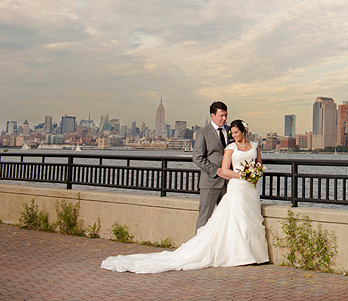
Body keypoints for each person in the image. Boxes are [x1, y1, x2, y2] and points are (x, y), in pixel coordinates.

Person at [101, 119, 269, 273]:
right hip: (237, 186)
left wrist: (255, 174)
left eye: (236, 132)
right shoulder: (230, 148)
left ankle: (255, 255)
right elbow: (225, 170)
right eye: (232, 133)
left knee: (251, 219)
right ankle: (241, 255)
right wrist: (243, 176)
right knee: (237, 220)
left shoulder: (255, 146)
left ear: (243, 131)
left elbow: (259, 165)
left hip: (251, 189)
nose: (233, 135)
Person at [193, 101, 231, 231]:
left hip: (228, 184)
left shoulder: (230, 130)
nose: (224, 119)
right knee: (204, 219)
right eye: (221, 115)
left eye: (226, 115)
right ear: (212, 115)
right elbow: (197, 158)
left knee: (226, 219)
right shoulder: (203, 132)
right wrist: (217, 171)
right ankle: (199, 249)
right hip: (210, 183)